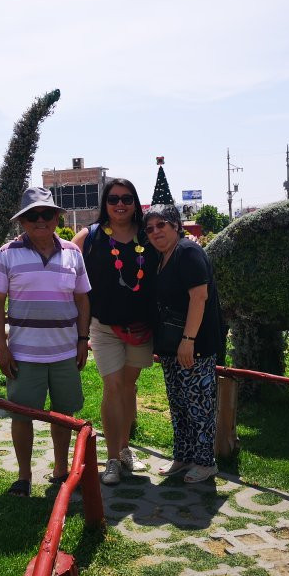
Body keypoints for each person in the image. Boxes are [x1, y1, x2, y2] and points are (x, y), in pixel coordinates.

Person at [0, 186, 91, 497]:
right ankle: (24, 476)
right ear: (23, 221)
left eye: (47, 214)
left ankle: (60, 470)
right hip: (24, 354)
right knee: (23, 415)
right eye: (33, 215)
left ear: (57, 217)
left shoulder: (73, 253)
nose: (40, 220)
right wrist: (1, 348)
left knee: (63, 414)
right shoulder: (7, 254)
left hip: (64, 352)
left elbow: (83, 300)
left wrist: (83, 339)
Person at [72, 179, 158, 485]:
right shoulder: (90, 235)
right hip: (104, 325)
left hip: (140, 327)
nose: (119, 204)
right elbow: (65, 264)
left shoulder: (148, 235)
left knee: (128, 387)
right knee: (112, 385)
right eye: (113, 199)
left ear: (135, 202)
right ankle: (110, 459)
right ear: (104, 204)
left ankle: (124, 449)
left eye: (126, 198)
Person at [144, 203, 223, 484]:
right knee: (179, 404)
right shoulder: (163, 256)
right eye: (150, 228)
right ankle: (184, 456)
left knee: (199, 405)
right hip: (171, 346)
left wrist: (188, 340)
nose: (155, 232)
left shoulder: (188, 252)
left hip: (195, 345)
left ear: (176, 225)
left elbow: (199, 297)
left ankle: (205, 462)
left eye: (161, 225)